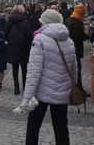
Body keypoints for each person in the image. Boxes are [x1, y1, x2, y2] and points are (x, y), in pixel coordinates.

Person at [22, 9, 77, 145]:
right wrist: (71, 86)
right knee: (61, 128)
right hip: (62, 91)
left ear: (45, 23)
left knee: (33, 127)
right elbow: (74, 68)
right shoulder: (69, 41)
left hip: (41, 93)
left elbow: (34, 71)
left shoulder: (39, 39)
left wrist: (27, 97)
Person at [5, 5, 35, 95]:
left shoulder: (10, 21)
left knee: (15, 68)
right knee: (24, 68)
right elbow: (30, 35)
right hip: (24, 47)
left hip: (13, 47)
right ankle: (25, 86)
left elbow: (5, 33)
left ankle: (16, 87)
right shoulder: (25, 21)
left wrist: (10, 42)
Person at [64, 4, 86, 87]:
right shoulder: (77, 21)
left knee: (73, 69)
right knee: (77, 69)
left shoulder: (69, 19)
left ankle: (75, 88)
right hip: (75, 48)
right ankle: (78, 89)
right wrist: (87, 36)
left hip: (69, 48)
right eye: (83, 12)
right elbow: (77, 37)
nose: (84, 14)